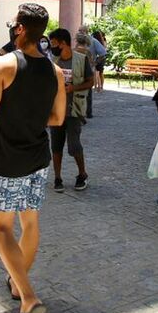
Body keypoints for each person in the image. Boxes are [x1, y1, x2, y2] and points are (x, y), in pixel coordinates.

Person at [0, 3, 66, 313]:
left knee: (2, 228)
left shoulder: (0, 65)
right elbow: (57, 119)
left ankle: (28, 298)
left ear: (19, 28)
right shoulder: (55, 72)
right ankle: (19, 283)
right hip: (37, 157)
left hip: (7, 159)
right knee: (30, 222)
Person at [47, 28, 93, 192]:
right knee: (56, 146)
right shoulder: (53, 61)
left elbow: (90, 81)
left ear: (63, 43)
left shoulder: (81, 59)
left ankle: (82, 174)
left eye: (53, 43)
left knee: (74, 145)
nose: (52, 46)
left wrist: (74, 87)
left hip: (74, 109)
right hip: (56, 111)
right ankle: (57, 178)